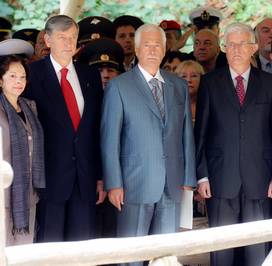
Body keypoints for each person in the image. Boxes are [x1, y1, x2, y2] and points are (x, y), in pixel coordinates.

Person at [101, 24, 196, 266]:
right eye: (147, 44)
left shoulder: (178, 86)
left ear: (165, 49)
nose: (152, 50)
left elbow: (186, 134)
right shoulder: (119, 86)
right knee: (131, 254)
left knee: (166, 254)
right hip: (134, 183)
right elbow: (109, 138)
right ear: (136, 48)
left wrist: (189, 177)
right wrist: (113, 182)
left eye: (157, 45)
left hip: (172, 182)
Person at [194, 22, 272, 266]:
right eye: (229, 44)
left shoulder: (269, 83)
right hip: (220, 178)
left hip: (260, 179)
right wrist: (201, 176)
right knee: (221, 251)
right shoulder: (210, 83)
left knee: (257, 250)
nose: (235, 50)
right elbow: (200, 133)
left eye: (241, 44)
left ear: (253, 47)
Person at [24, 15, 105, 242]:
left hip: (85, 178)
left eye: (73, 38)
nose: (69, 44)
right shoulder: (31, 75)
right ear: (47, 40)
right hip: (49, 180)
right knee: (50, 250)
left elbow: (95, 130)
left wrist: (99, 177)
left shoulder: (90, 75)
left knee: (82, 249)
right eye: (62, 38)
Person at [0, 54, 45, 246]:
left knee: (24, 251)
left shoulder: (30, 106)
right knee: (0, 249)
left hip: (27, 194)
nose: (19, 81)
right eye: (12, 76)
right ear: (0, 79)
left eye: (22, 76)